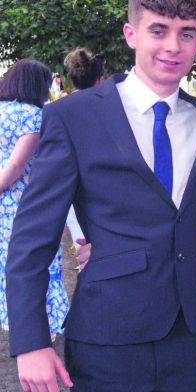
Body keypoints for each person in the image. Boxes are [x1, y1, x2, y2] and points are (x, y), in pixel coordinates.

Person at [6, 0, 196, 390]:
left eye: (186, 33)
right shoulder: (74, 117)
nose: (173, 45)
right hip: (107, 338)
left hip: (186, 340)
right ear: (131, 34)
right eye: (158, 30)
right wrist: (32, 340)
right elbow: (32, 237)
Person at [0, 59, 70, 340]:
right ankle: (42, 325)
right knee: (34, 261)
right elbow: (16, 167)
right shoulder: (33, 116)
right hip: (22, 203)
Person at [61, 47, 107, 250]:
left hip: (72, 189)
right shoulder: (109, 107)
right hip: (104, 192)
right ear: (100, 79)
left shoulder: (60, 109)